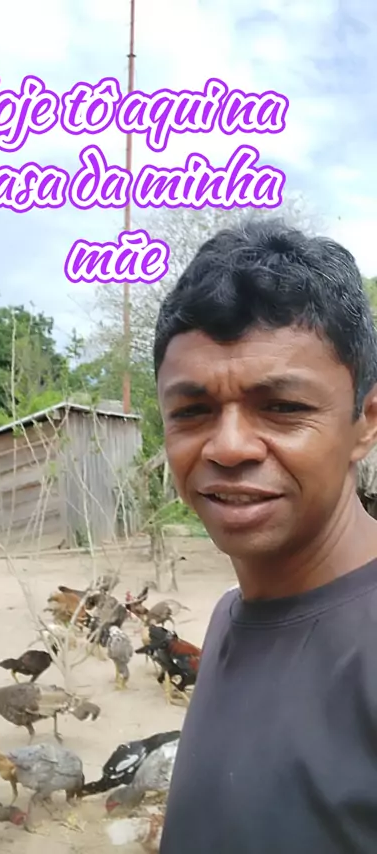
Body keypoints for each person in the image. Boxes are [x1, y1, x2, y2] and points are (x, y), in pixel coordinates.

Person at [156, 217, 377, 854]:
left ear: (365, 423)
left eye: (282, 407)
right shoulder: (231, 617)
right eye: (192, 411)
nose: (227, 447)